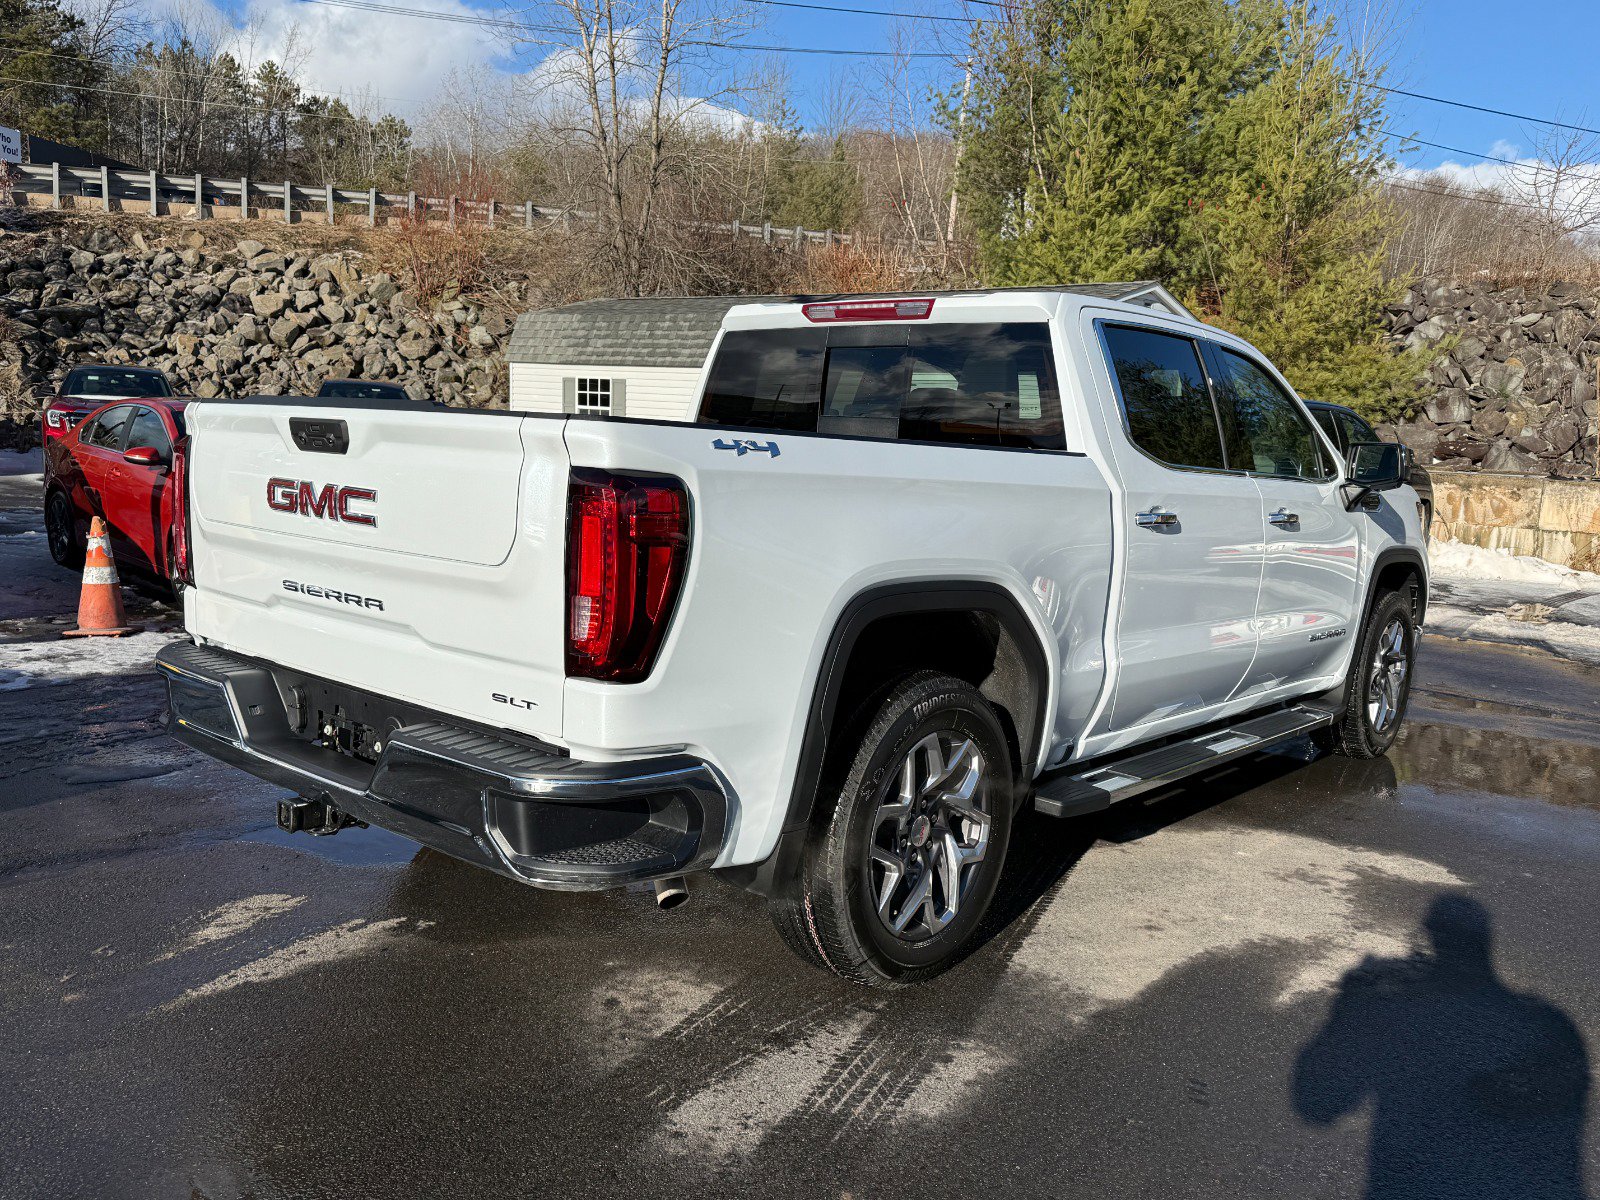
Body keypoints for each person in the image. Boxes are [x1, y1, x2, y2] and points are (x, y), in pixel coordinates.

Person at [1294, 894, 1590, 1199]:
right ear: (1484, 947)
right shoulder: (1552, 1027)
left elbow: (1318, 1104)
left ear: (1431, 940)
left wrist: (1351, 1010)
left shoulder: (1400, 1022)